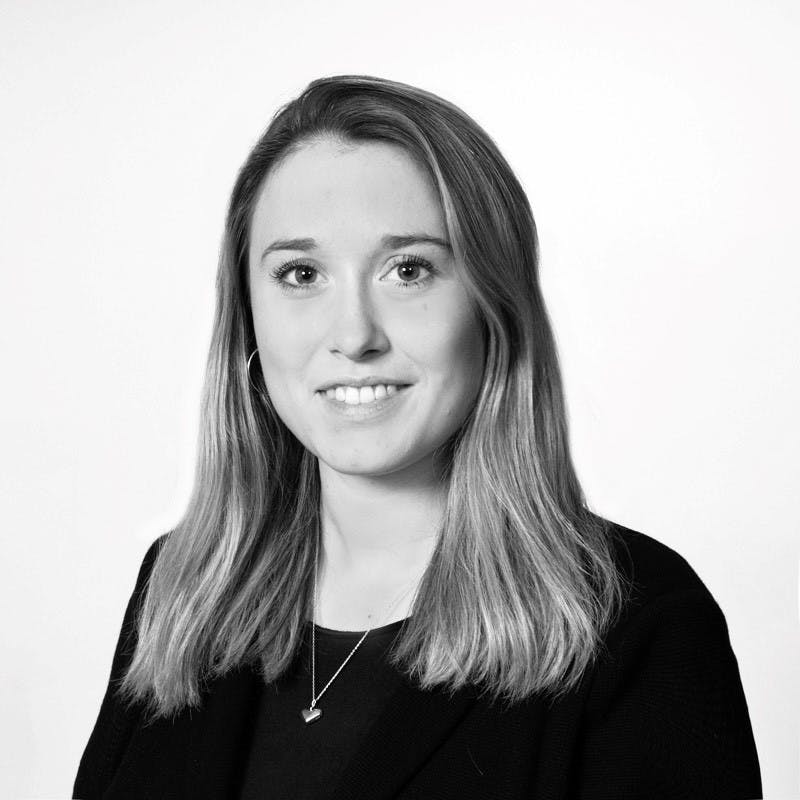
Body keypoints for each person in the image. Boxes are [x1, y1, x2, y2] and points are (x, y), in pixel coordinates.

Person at [73, 75, 762, 800]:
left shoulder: (639, 627)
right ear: (247, 315)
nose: (353, 336)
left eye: (409, 270)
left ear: (494, 309)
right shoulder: (184, 589)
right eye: (301, 273)